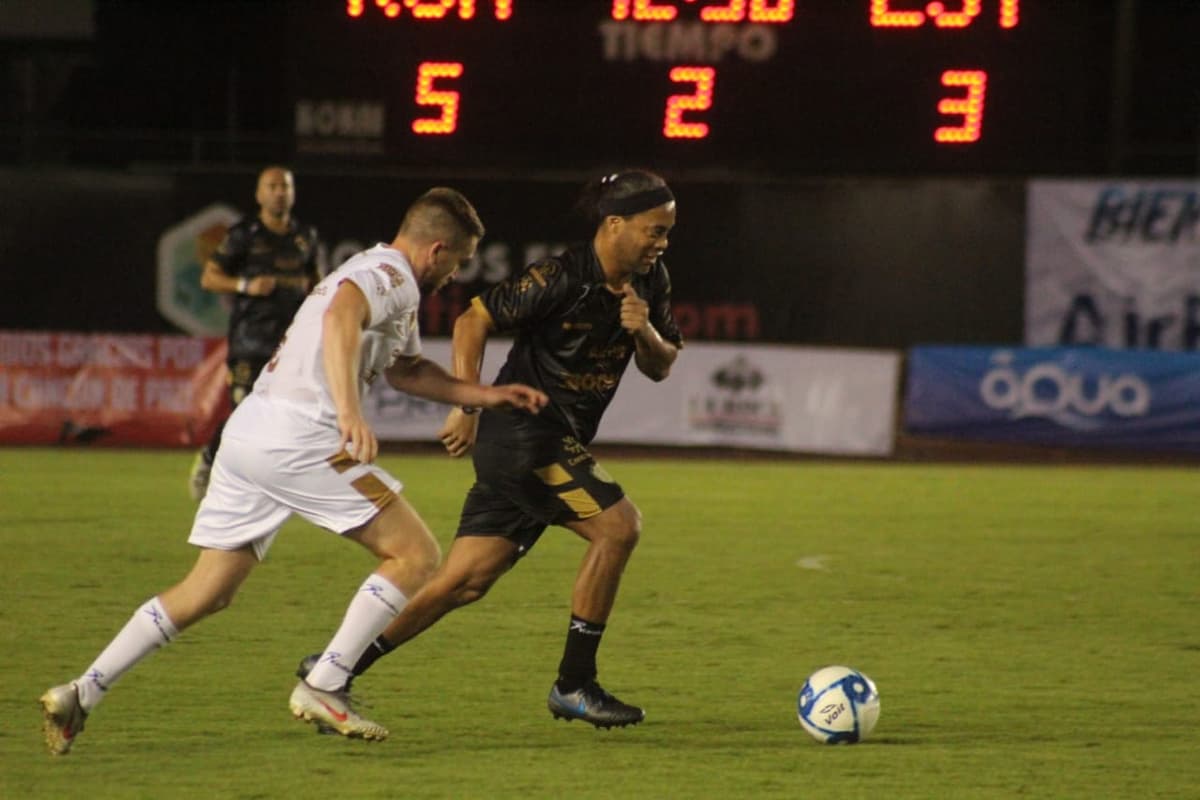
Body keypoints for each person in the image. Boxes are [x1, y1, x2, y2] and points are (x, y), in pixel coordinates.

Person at [39, 188, 549, 755]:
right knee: (416, 554)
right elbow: (339, 318)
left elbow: (406, 371)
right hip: (300, 436)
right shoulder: (390, 273)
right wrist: (350, 413)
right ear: (436, 250)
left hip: (251, 432)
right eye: (456, 264)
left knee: (208, 591)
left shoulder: (383, 283)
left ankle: (80, 692)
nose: (454, 277)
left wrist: (484, 395)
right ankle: (325, 683)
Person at [298, 169, 682, 729]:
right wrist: (468, 404)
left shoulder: (652, 282)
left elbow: (661, 365)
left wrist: (643, 332)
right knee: (619, 527)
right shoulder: (559, 276)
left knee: (464, 581)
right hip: (525, 435)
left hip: (551, 441)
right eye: (654, 230)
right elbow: (472, 318)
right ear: (615, 224)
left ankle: (336, 667)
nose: (661, 243)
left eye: (668, 233)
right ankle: (574, 686)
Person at [189, 165, 323, 501]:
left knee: (287, 414)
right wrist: (246, 284)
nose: (280, 192)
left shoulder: (305, 236)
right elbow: (209, 278)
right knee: (245, 412)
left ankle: (269, 482)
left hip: (291, 343)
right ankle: (210, 460)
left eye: (285, 186)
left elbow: (317, 282)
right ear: (259, 194)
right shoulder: (244, 234)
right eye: (273, 186)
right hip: (251, 340)